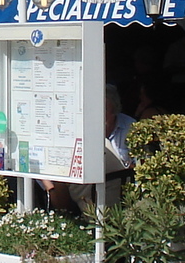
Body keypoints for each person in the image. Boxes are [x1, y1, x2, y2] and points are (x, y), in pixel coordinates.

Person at [44, 84, 134, 213]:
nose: (97, 114)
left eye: (103, 109)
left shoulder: (130, 128)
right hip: (84, 190)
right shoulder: (78, 128)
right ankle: (68, 216)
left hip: (118, 193)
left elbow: (139, 165)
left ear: (114, 111)